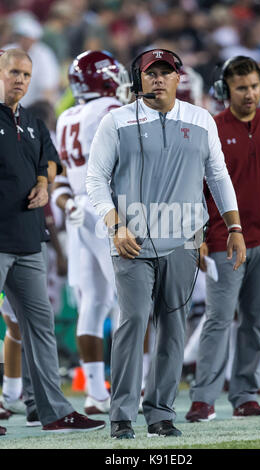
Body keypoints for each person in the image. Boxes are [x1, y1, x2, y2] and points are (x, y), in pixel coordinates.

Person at [86, 48, 246, 439]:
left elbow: (219, 177)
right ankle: (122, 414)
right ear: (137, 79)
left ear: (178, 78)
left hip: (184, 241)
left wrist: (235, 228)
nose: (158, 78)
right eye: (150, 73)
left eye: (165, 72)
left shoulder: (200, 119)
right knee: (134, 320)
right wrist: (115, 225)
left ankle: (160, 413)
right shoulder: (116, 121)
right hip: (131, 241)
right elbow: (95, 180)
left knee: (173, 326)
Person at [185, 56, 260, 423]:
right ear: (225, 91)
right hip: (223, 239)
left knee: (254, 318)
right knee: (219, 317)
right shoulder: (211, 129)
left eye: (253, 86)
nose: (250, 94)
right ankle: (203, 397)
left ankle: (245, 394)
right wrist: (198, 235)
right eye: (241, 88)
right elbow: (194, 188)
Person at [0, 48, 106, 434]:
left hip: (28, 239)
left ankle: (53, 411)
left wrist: (44, 184)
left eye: (26, 75)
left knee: (39, 326)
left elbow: (49, 159)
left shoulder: (31, 121)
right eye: (13, 72)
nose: (20, 80)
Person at [52, 50, 132, 415]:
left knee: (91, 303)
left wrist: (68, 203)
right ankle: (139, 385)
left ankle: (96, 392)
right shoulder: (109, 112)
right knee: (130, 299)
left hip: (77, 210)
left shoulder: (67, 115)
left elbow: (63, 175)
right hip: (108, 207)